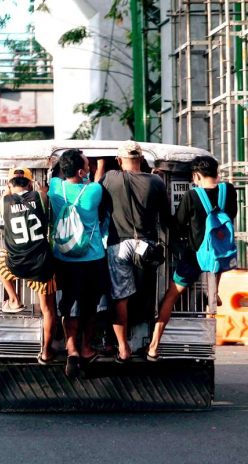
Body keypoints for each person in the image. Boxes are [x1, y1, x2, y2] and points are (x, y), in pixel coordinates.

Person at [147, 155, 238, 361]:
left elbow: (177, 225)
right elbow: (231, 214)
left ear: (196, 175)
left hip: (195, 256)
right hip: (221, 255)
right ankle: (213, 292)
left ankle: (153, 346)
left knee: (172, 295)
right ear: (217, 172)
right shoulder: (229, 190)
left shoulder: (192, 195)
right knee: (216, 263)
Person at [99, 140, 171, 362]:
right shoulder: (156, 182)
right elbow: (165, 217)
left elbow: (98, 197)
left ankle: (123, 348)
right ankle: (143, 340)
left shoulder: (110, 178)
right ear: (141, 159)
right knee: (144, 292)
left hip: (118, 244)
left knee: (120, 297)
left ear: (119, 160)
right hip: (145, 247)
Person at [48, 149, 107, 377]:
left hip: (63, 258)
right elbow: (97, 180)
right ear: (82, 171)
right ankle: (85, 347)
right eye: (87, 165)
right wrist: (98, 168)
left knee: (69, 305)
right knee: (90, 306)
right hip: (92, 258)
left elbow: (55, 173)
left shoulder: (55, 188)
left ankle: (70, 348)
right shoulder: (93, 190)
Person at [0, 167, 57, 364]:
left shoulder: (3, 202)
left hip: (17, 265)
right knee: (48, 310)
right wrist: (38, 188)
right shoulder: (41, 198)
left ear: (9, 184)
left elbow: (7, 194)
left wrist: (9, 189)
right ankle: (46, 352)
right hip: (41, 266)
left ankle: (14, 300)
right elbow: (43, 194)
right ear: (30, 184)